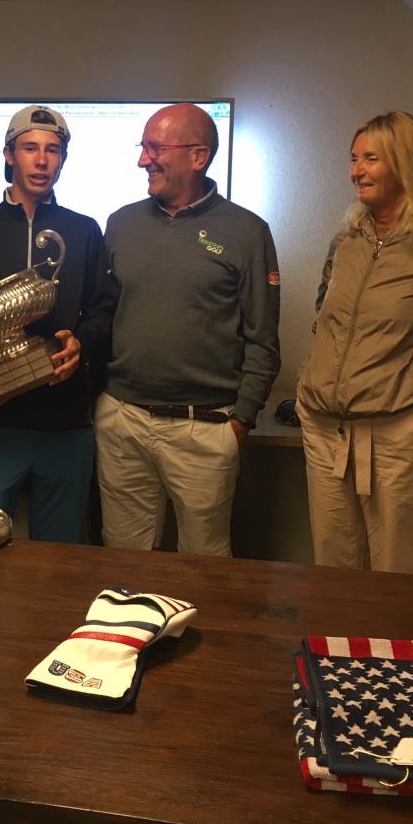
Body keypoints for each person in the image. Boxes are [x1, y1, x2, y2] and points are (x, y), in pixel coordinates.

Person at [95, 103, 281, 555]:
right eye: (142, 147)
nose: (143, 160)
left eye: (155, 148)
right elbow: (103, 315)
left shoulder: (247, 232)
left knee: (204, 566)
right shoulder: (120, 224)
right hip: (123, 421)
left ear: (198, 156)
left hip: (206, 427)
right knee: (124, 561)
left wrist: (241, 420)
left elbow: (263, 338)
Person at [0, 105, 113, 542]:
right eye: (30, 148)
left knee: (60, 555)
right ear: (9, 154)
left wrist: (81, 343)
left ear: (63, 159)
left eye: (53, 150)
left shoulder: (85, 231)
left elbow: (103, 309)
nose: (42, 160)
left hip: (65, 421)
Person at [297, 110, 413, 575]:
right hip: (327, 432)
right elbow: (325, 321)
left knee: (398, 580)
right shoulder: (347, 241)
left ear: (407, 162)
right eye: (353, 159)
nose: (356, 171)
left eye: (371, 159)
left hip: (401, 437)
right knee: (334, 574)